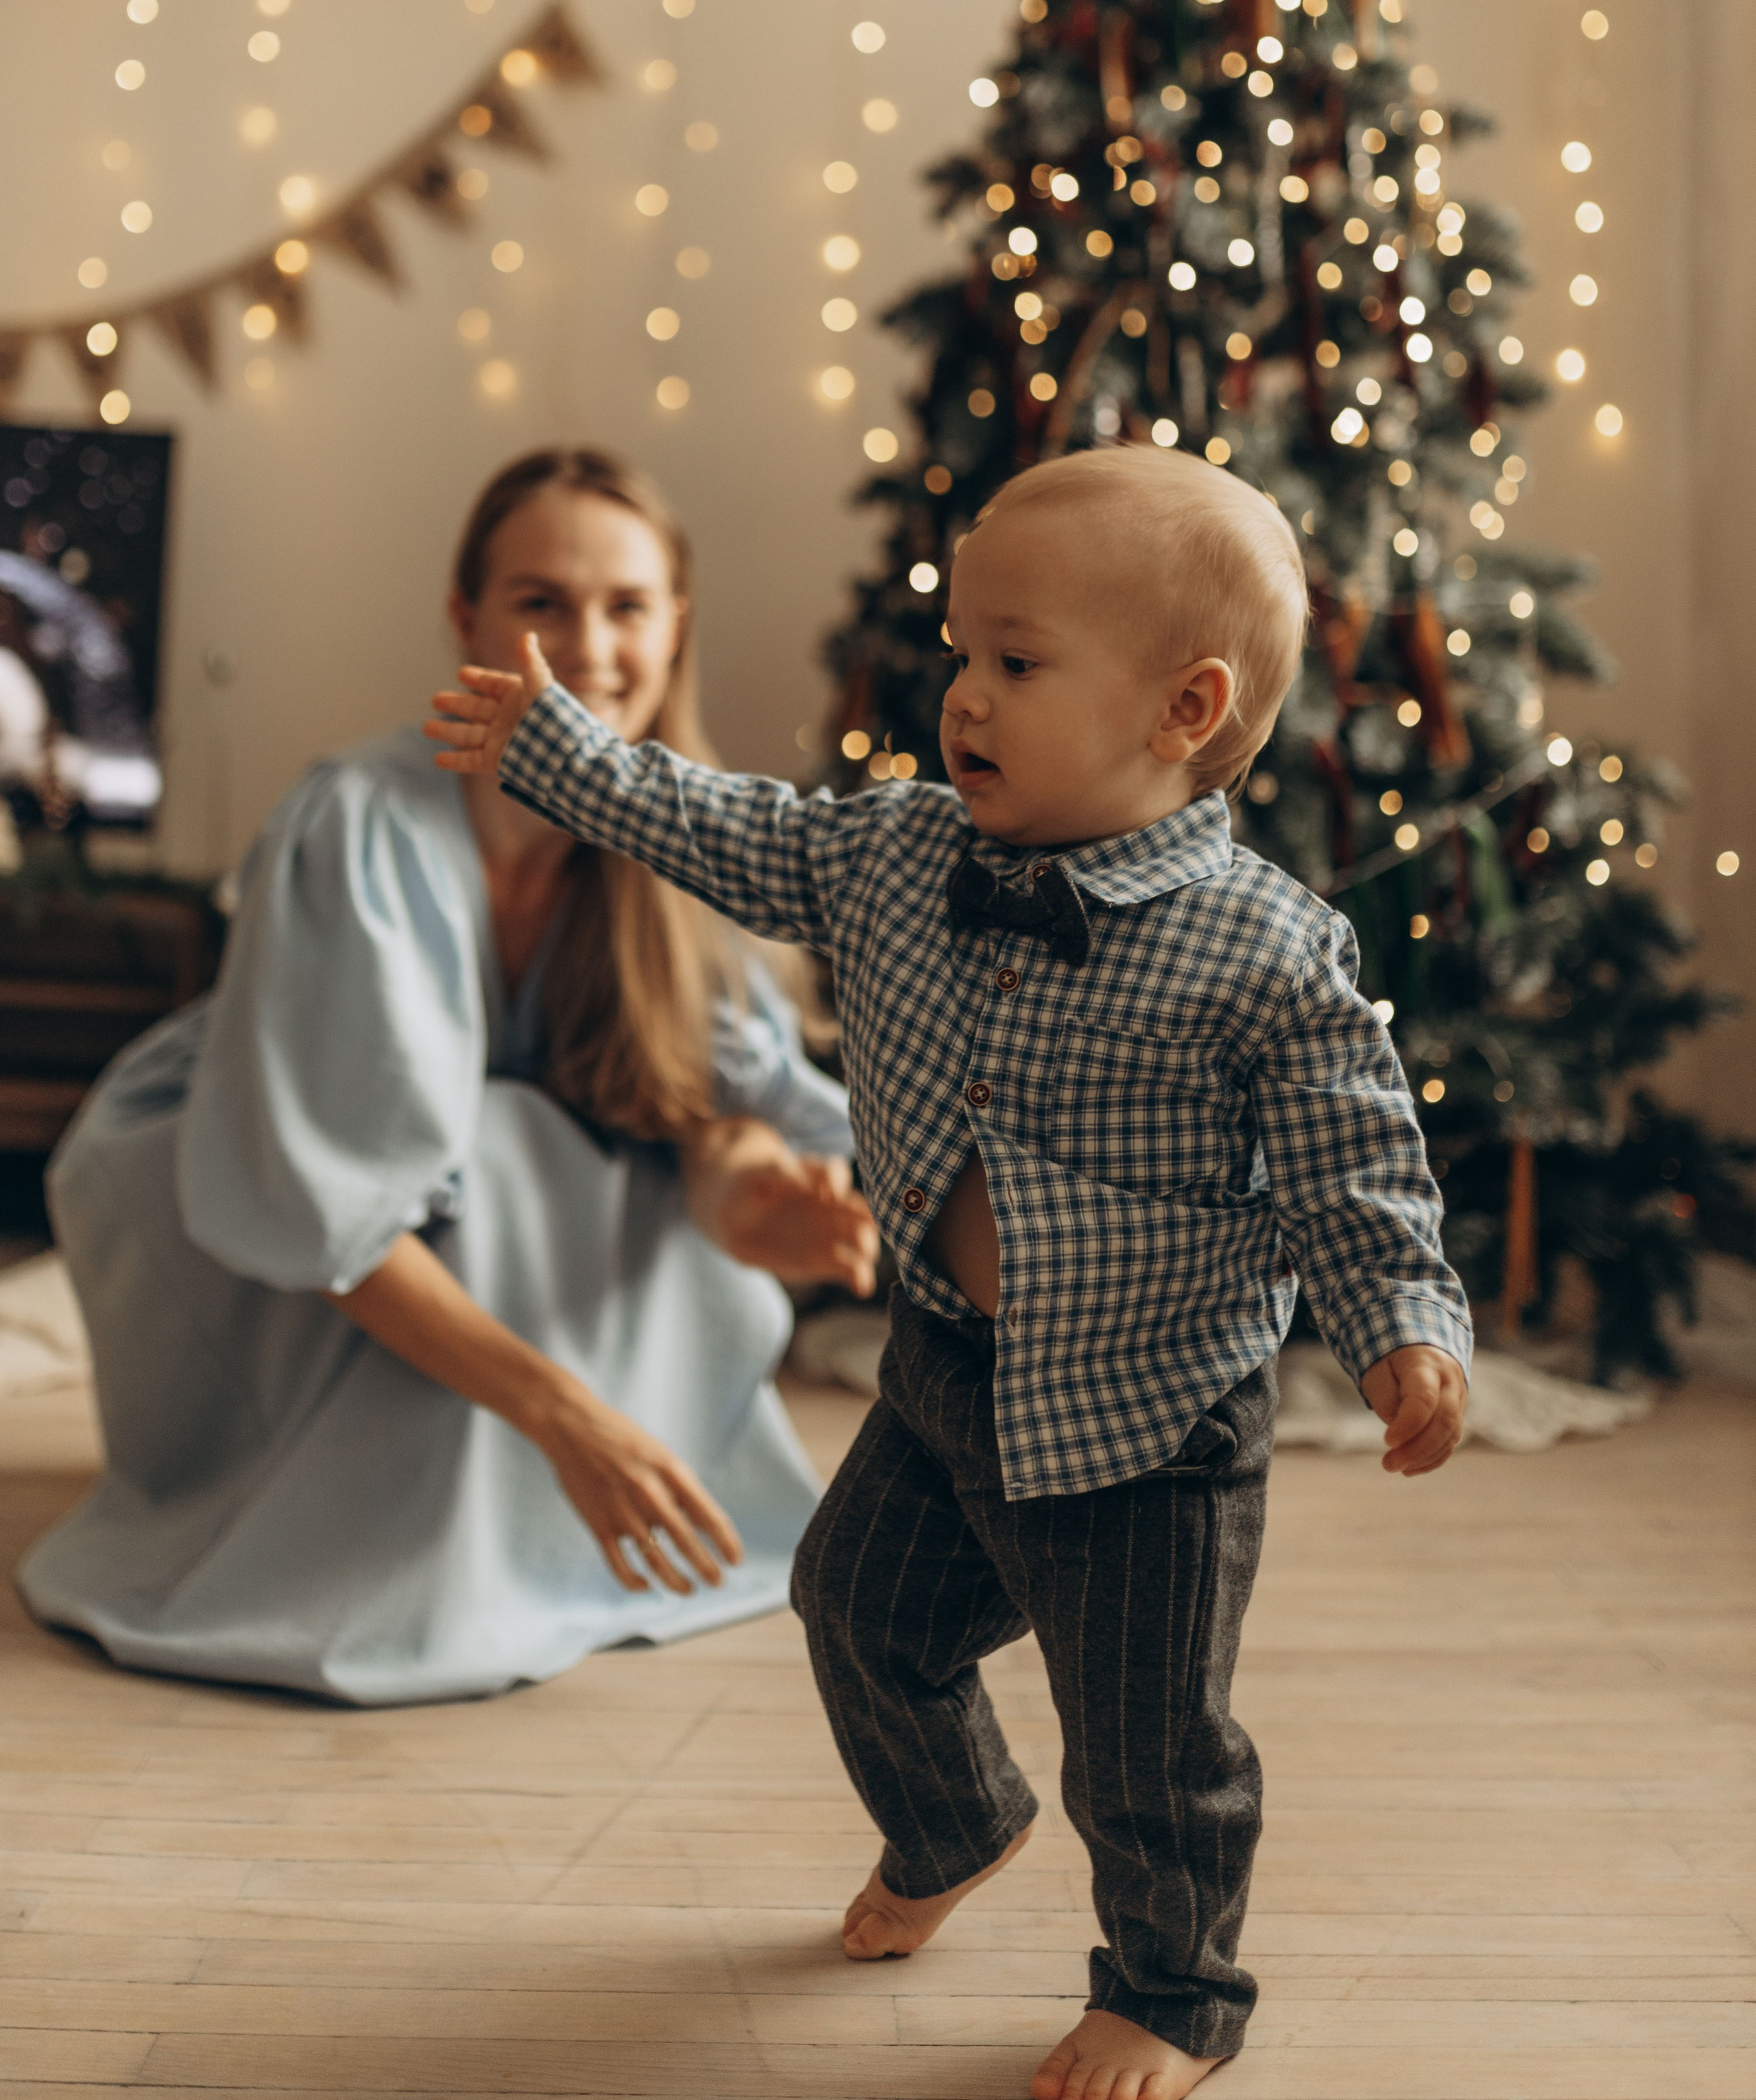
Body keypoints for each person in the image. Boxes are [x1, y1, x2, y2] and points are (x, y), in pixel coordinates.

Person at [429, 444, 1473, 2100]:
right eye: (961, 655)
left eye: (1015, 662)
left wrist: (1403, 1327)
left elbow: (1354, 1163)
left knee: (1146, 1749)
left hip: (1146, 1423)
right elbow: (731, 828)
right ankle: (951, 1820)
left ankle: (1173, 1991)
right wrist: (567, 755)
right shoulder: (900, 852)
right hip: (945, 1368)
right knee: (853, 1607)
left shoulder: (1268, 951)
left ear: (1182, 708)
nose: (960, 697)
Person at [19, 447, 876, 1706]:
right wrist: (567, 1417)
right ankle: (388, 1545)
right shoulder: (361, 826)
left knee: (547, 1153)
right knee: (511, 1149)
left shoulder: (689, 853)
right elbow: (338, 1209)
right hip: (250, 1187)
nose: (588, 642)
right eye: (541, 601)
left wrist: (764, 1208)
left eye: (626, 605)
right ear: (465, 616)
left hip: (455, 1225)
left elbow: (702, 1123)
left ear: (674, 628)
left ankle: (536, 1531)